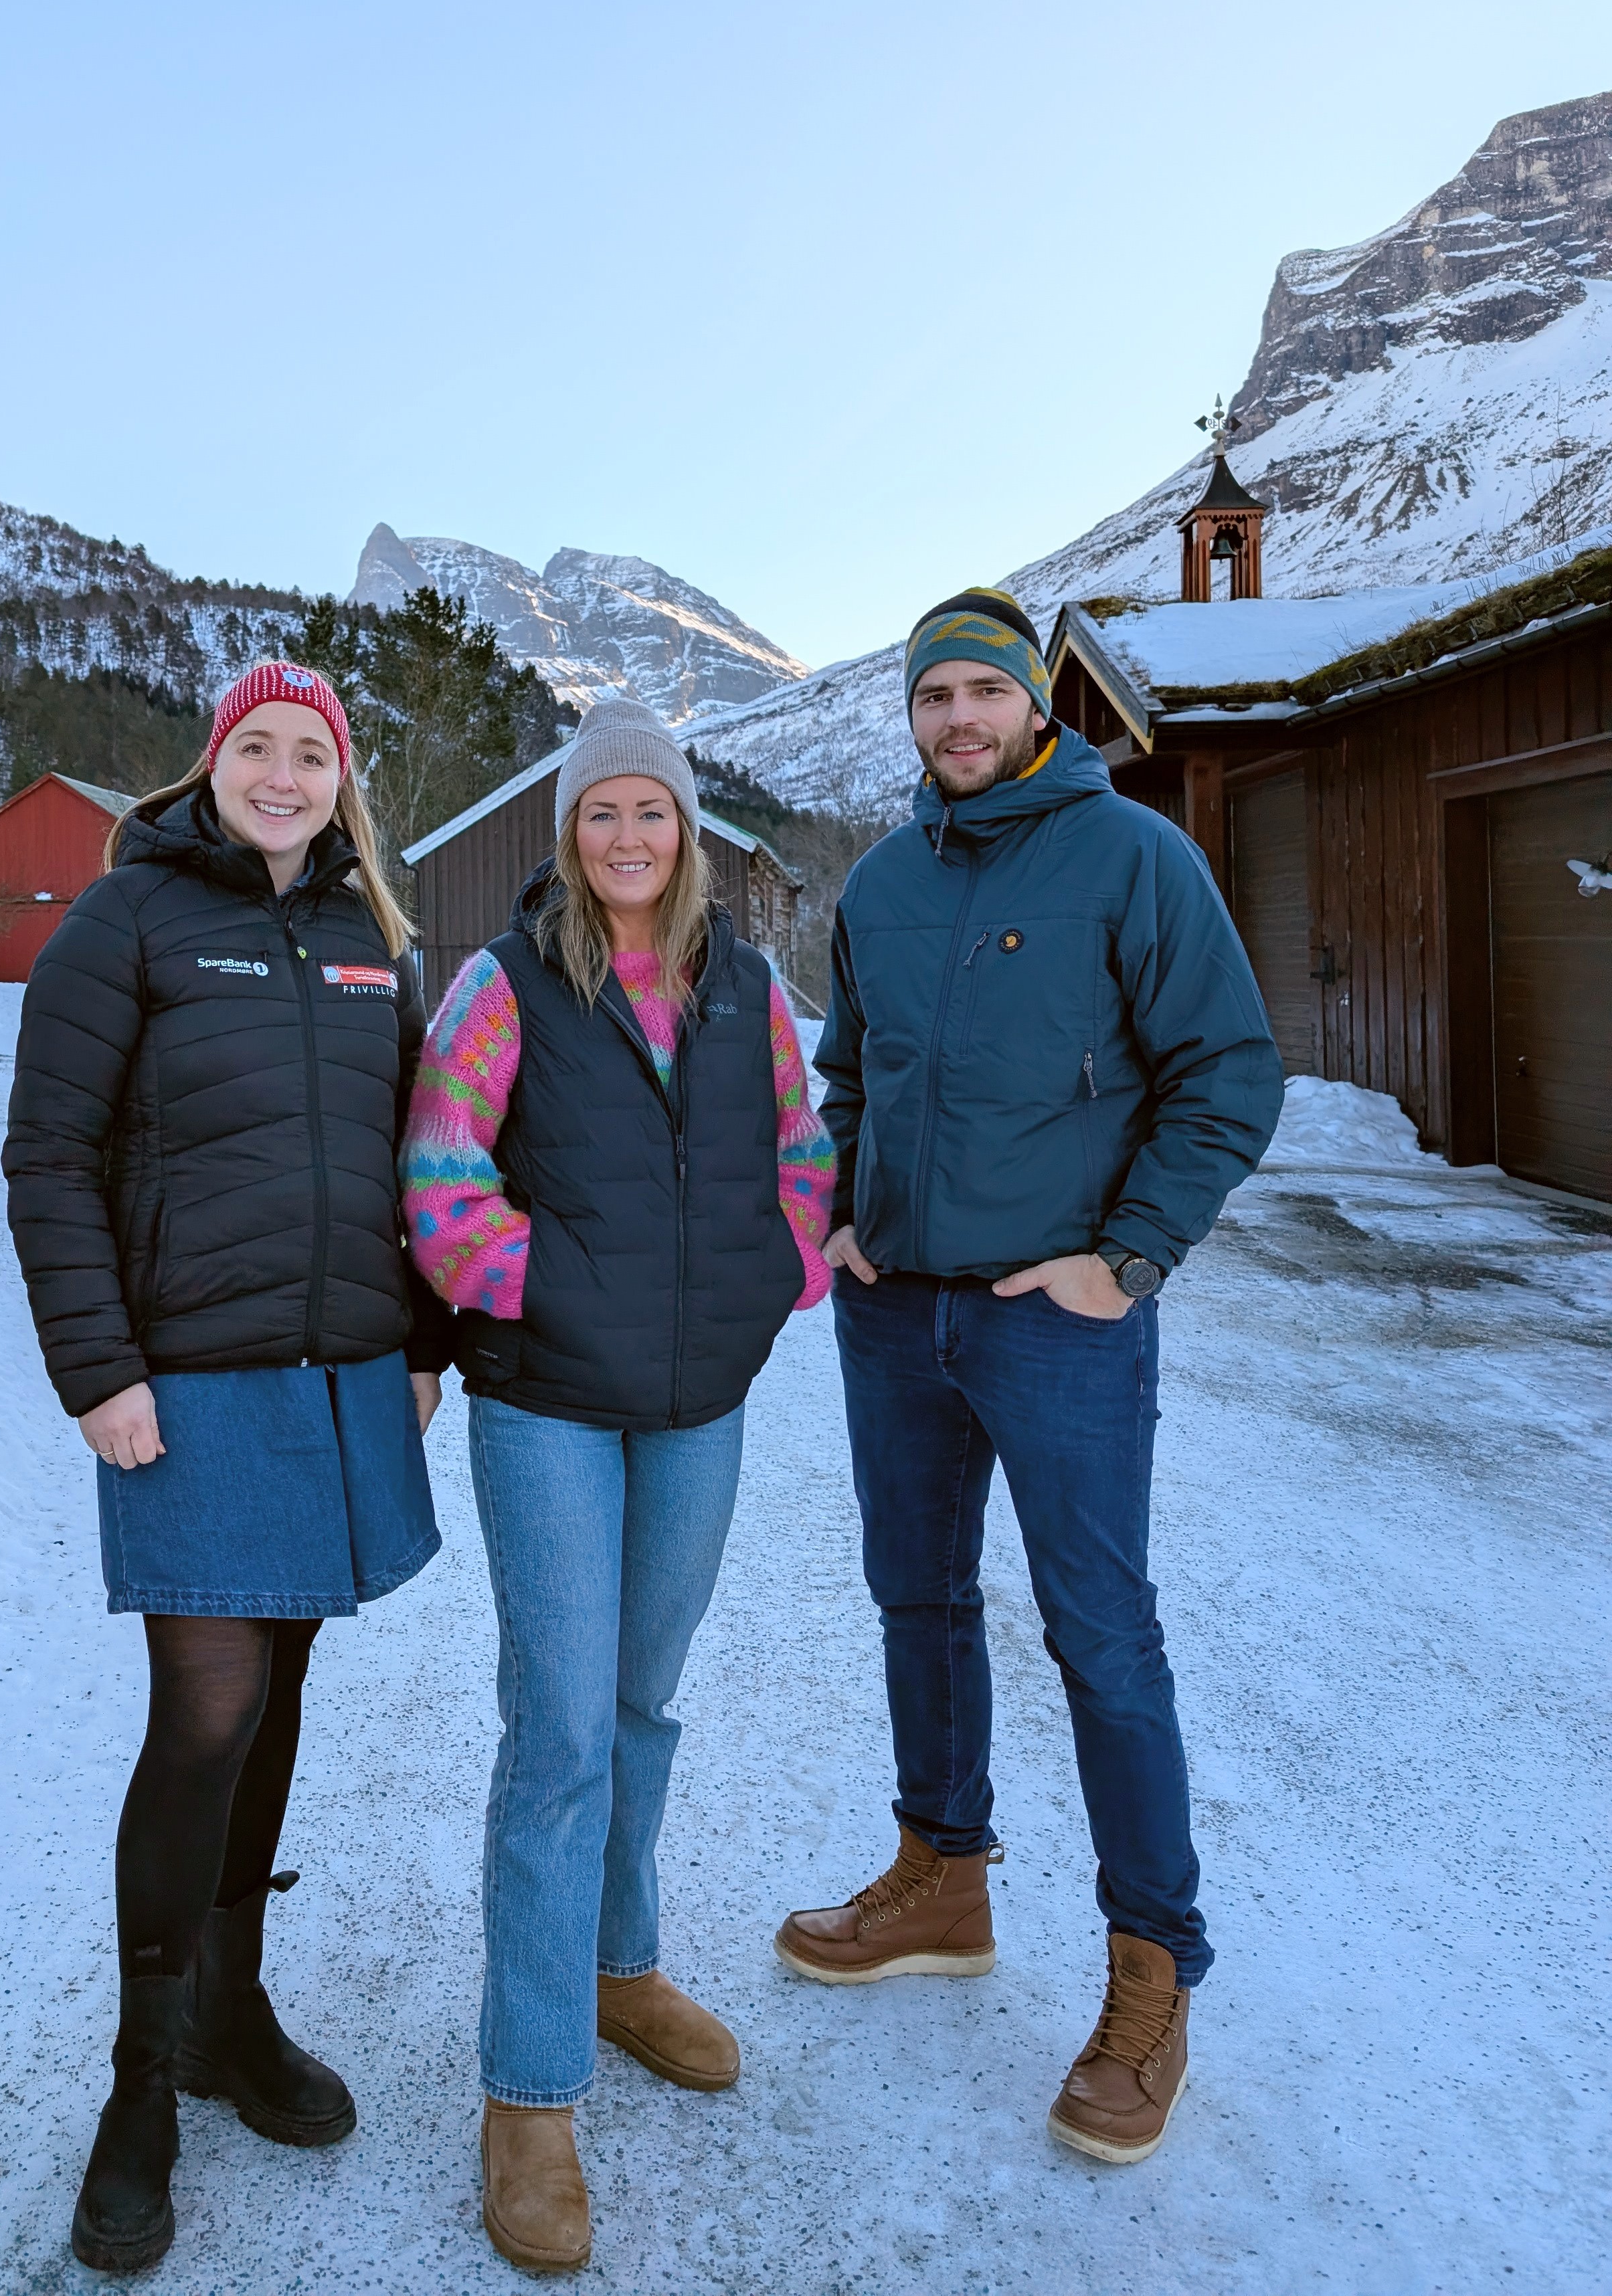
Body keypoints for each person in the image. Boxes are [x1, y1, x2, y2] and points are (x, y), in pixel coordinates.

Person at [774, 589, 1281, 2166]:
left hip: (1057, 1319)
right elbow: (845, 1070)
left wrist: (1123, 1257)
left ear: (1033, 709)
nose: (960, 722)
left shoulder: (1134, 857)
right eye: (935, 702)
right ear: (914, 719)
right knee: (916, 1602)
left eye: (984, 694)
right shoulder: (878, 883)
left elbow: (1227, 1074)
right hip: (896, 1314)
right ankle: (943, 1874)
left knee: (1101, 1634)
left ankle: (1153, 1970)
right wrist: (844, 1207)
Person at [3, 659, 452, 2274]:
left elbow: (423, 1167)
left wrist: (422, 1346)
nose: (282, 774)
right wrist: (100, 1374)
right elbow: (49, 1154)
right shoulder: (126, 919)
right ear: (210, 763)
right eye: (256, 746)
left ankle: (231, 2005)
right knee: (204, 1711)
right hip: (186, 1389)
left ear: (343, 781)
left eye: (310, 752)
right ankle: (140, 2077)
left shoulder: (372, 941)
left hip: (337, 1386)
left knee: (278, 1701)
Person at [403, 695, 834, 2273]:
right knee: (564, 1728)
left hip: (698, 1406)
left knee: (647, 1703)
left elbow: (806, 1157)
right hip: (548, 1412)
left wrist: (770, 1283)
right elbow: (443, 1178)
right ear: (570, 834)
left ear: (689, 831)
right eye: (602, 814)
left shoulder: (754, 993)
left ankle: (620, 1965)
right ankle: (528, 2091)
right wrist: (538, 1297)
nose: (629, 838)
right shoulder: (503, 983)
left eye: (651, 811)